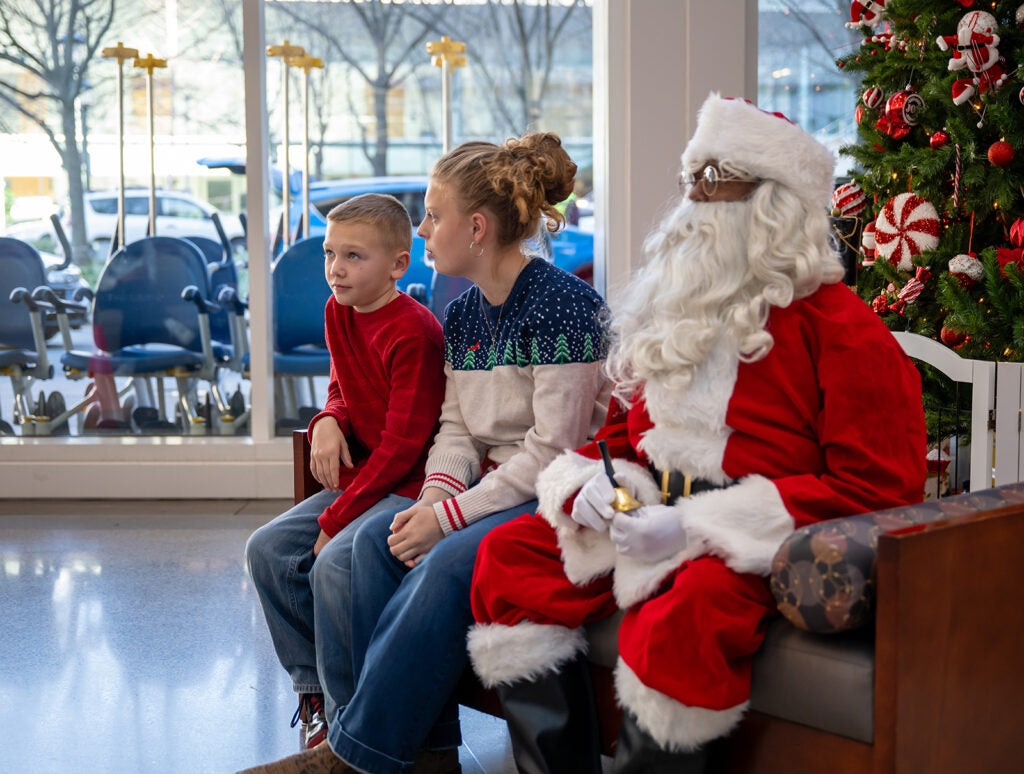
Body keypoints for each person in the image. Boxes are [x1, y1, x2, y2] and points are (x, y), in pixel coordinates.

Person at [467, 93, 928, 773]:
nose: (693, 209)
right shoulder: (675, 314)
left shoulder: (843, 331)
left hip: (753, 544)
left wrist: (696, 530)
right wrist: (593, 486)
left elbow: (877, 487)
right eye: (692, 184)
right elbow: (622, 438)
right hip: (648, 509)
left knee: (683, 615)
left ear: (774, 212)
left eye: (717, 187)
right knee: (511, 558)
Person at [242, 132, 612, 774]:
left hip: (556, 491)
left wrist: (444, 519)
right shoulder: (465, 313)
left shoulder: (563, 307)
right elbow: (458, 431)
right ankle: (429, 752)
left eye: (433, 216)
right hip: (486, 487)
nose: (422, 229)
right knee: (369, 546)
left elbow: (554, 452)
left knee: (439, 565)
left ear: (475, 228)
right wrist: (436, 497)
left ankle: (356, 757)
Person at [245, 194, 446, 750]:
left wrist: (336, 517)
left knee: (334, 562)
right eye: (331, 253)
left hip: (407, 486)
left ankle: (347, 726)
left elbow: (406, 448)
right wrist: (326, 418)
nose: (336, 268)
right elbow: (342, 388)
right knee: (266, 548)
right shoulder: (338, 311)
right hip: (365, 483)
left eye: (354, 256)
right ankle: (315, 694)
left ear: (398, 265)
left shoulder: (414, 333)